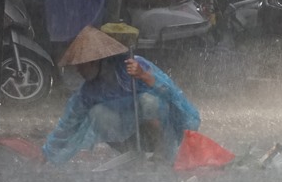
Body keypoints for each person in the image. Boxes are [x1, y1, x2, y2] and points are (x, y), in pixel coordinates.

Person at [41, 26, 201, 165]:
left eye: (81, 66)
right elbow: (69, 123)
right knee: (98, 113)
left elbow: (170, 93)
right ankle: (131, 153)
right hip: (127, 137)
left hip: (152, 130)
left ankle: (160, 154)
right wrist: (47, 153)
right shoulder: (88, 92)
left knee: (150, 101)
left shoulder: (134, 66)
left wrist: (144, 76)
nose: (78, 71)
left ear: (94, 61)